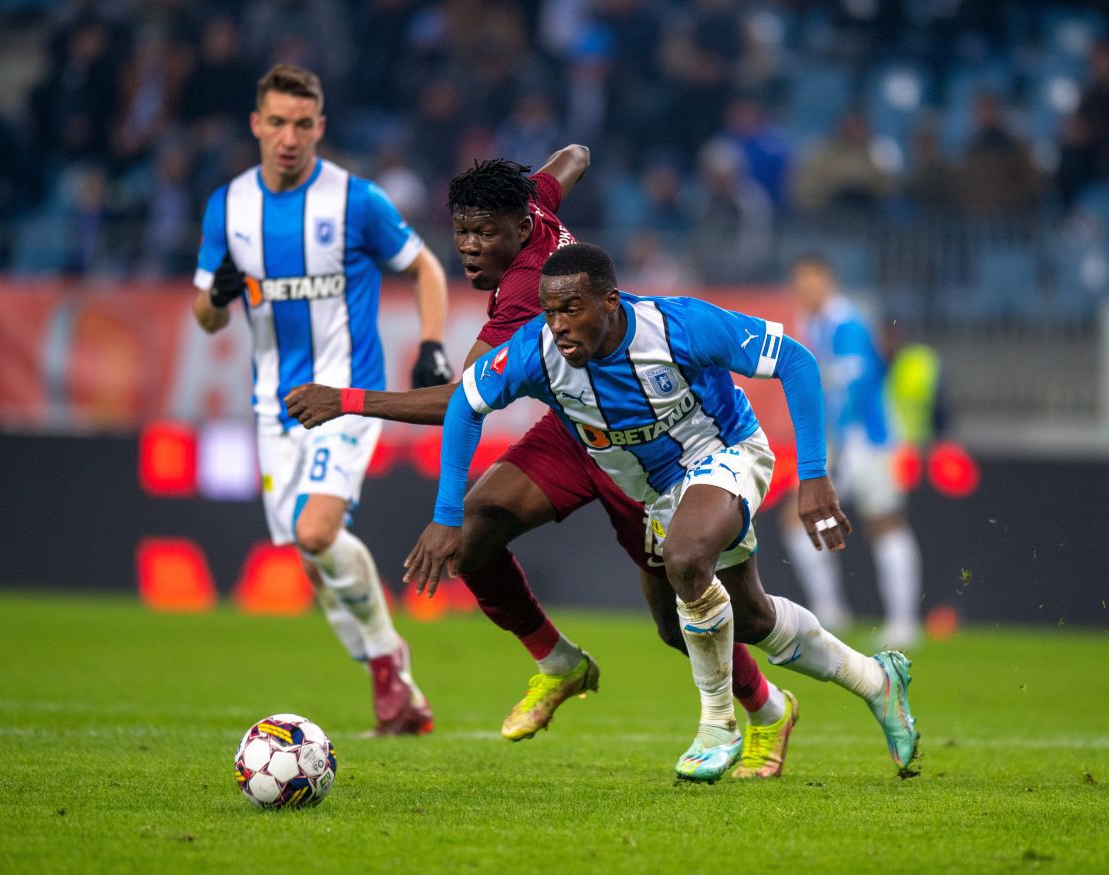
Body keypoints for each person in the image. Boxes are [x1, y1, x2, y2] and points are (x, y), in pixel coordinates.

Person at [285, 153, 799, 779]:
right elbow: (578, 157)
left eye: (485, 235)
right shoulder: (533, 204)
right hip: (574, 426)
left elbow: (458, 401)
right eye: (463, 233)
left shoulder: (530, 290)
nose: (471, 249)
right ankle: (560, 664)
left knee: (676, 620)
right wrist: (542, 176)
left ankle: (767, 708)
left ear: (522, 230)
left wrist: (344, 401)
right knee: (474, 530)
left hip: (641, 444)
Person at [404, 243, 920, 782]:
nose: (558, 326)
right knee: (744, 617)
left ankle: (718, 727)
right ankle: (874, 681)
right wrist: (446, 514)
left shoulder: (680, 326)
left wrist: (813, 473)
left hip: (725, 453)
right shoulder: (538, 350)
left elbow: (795, 359)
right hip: (657, 491)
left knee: (687, 556)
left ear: (610, 302)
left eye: (572, 310)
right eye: (550, 311)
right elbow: (465, 402)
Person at [192, 64, 453, 735]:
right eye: (276, 122)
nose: (288, 137)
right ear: (256, 124)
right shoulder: (228, 208)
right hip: (273, 407)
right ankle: (388, 672)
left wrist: (429, 342)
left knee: (316, 530)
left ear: (321, 128)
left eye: (302, 124)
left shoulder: (355, 201)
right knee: (313, 553)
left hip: (344, 395)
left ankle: (389, 657)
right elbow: (207, 316)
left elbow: (424, 265)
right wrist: (215, 296)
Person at [781, 255, 923, 648]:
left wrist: (840, 446)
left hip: (868, 440)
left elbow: (855, 389)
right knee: (803, 518)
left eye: (812, 282)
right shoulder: (815, 324)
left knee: (885, 523)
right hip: (839, 442)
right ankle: (830, 612)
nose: (805, 290)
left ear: (830, 282)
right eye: (800, 283)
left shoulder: (848, 324)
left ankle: (904, 623)